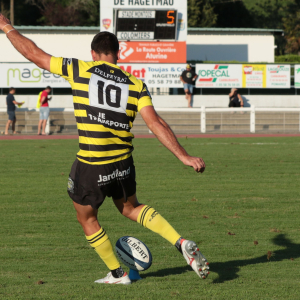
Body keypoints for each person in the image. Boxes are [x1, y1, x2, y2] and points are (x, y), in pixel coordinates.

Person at [0, 14, 209, 285]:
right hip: (123, 163)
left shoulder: (80, 69)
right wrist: (183, 155)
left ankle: (118, 273)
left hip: (92, 162)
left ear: (94, 54)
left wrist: (6, 26)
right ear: (117, 55)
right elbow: (155, 122)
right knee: (131, 208)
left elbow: (33, 53)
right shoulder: (136, 84)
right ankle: (180, 242)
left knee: (86, 217)